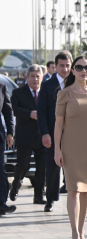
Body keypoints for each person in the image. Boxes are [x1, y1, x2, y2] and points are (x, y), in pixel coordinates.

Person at [54, 56, 87, 239]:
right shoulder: (64, 94)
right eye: (80, 67)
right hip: (70, 147)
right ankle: (74, 234)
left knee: (86, 191)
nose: (84, 70)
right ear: (73, 70)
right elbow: (58, 124)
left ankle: (82, 232)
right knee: (73, 190)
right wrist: (57, 149)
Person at [38, 51, 72, 212]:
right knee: (52, 168)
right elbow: (42, 111)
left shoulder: (76, 84)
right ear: (55, 66)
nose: (64, 69)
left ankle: (77, 200)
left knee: (74, 168)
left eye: (67, 66)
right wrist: (45, 133)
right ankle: (50, 199)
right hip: (53, 133)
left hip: (74, 133)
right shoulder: (47, 85)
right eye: (61, 66)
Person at [9, 65, 46, 205]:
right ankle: (16, 184)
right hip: (25, 136)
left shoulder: (46, 93)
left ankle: (39, 195)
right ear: (26, 77)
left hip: (42, 136)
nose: (35, 79)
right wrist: (29, 114)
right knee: (23, 164)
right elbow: (14, 108)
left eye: (38, 76)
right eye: (32, 76)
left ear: (42, 78)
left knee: (42, 167)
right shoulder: (19, 93)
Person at [0, 80, 15, 215]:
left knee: (0, 169)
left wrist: (10, 132)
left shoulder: (2, 86)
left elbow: (8, 111)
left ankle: (1, 203)